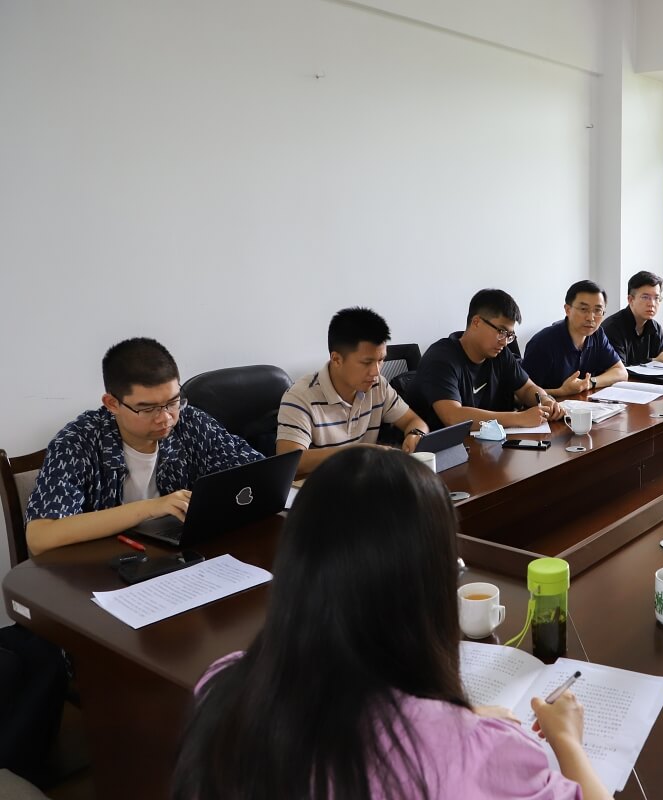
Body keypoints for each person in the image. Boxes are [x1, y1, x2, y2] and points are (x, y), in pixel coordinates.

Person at [172, 447, 610, 800]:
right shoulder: (477, 755)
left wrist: (454, 719)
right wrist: (567, 740)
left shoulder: (221, 684)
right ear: (426, 584)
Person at [25, 338, 263, 556]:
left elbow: (258, 473)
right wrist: (152, 507)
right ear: (112, 403)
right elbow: (40, 536)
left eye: (173, 402)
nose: (166, 418)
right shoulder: (78, 442)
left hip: (181, 558)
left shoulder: (191, 423)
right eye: (148, 409)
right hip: (104, 569)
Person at [276, 307, 428, 476]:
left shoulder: (378, 385)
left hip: (365, 481)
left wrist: (415, 434)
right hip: (323, 486)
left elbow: (414, 421)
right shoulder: (300, 397)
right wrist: (357, 453)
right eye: (366, 362)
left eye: (381, 360)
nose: (376, 371)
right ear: (336, 359)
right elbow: (291, 461)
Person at [408, 289, 564, 430]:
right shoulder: (441, 359)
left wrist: (545, 399)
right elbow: (453, 417)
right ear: (476, 322)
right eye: (501, 331)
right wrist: (519, 418)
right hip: (439, 449)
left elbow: (527, 388)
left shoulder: (501, 354)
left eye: (509, 335)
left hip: (488, 444)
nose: (504, 342)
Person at [521, 281, 628, 398]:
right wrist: (562, 391)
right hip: (550, 407)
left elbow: (621, 372)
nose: (591, 318)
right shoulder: (542, 343)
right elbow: (521, 395)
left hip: (584, 405)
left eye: (597, 310)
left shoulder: (597, 335)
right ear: (568, 310)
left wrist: (589, 383)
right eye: (583, 309)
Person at [599, 271, 663, 367]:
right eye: (645, 297)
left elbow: (662, 367)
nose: (652, 304)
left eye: (656, 298)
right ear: (630, 300)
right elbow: (618, 371)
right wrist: (653, 362)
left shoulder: (656, 329)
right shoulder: (612, 328)